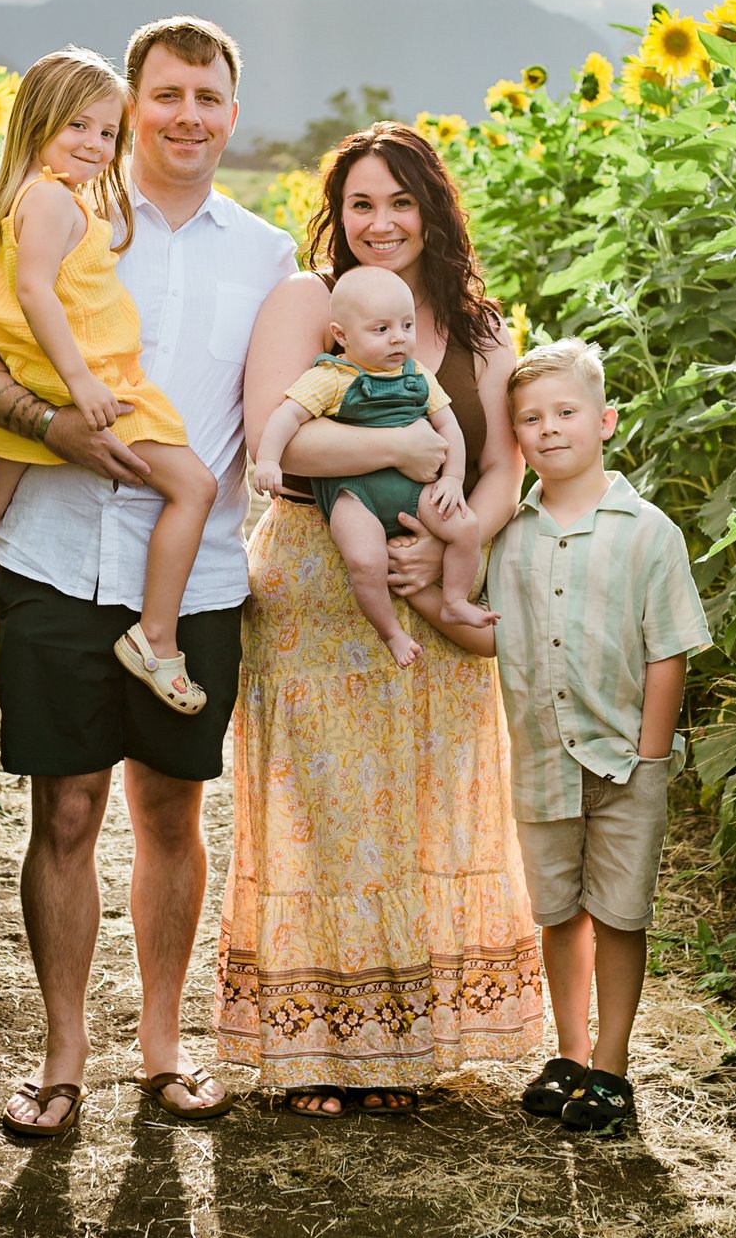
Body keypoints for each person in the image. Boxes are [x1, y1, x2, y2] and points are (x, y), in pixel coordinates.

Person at [0, 16, 296, 1141]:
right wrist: (46, 423)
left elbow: (284, 409)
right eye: (166, 95)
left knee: (169, 810)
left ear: (233, 110)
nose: (187, 116)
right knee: (67, 809)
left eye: (208, 98)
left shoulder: (264, 254)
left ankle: (164, 1048)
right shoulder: (63, 208)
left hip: (198, 573)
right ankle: (61, 1055)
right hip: (55, 555)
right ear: (130, 104)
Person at [217, 122, 545, 1118]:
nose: (380, 222)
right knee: (322, 814)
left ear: (432, 208)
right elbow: (287, 438)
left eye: (400, 201)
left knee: (420, 809)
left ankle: (402, 1049)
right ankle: (315, 1050)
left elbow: (501, 467)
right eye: (360, 203)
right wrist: (404, 442)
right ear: (337, 214)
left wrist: (451, 542)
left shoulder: (481, 333)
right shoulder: (308, 303)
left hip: (432, 587)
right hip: (319, 585)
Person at [0, 47, 217, 713]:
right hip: (87, 380)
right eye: (79, 126)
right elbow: (36, 292)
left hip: (34, 379)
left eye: (108, 132)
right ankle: (155, 638)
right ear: (38, 122)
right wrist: (80, 384)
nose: (97, 145)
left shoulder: (30, 199)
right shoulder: (50, 200)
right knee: (195, 485)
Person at [485, 339, 708, 1135]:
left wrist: (651, 757)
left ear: (605, 420)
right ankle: (569, 1053)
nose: (548, 429)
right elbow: (493, 634)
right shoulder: (509, 535)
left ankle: (612, 1066)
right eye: (530, 419)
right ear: (515, 437)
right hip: (542, 759)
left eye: (566, 413)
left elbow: (668, 647)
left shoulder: (647, 531)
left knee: (618, 913)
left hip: (624, 762)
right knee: (559, 911)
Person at [246, 266, 494, 665]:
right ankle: (390, 632)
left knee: (465, 527)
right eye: (381, 329)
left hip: (415, 489)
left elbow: (448, 425)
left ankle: (453, 601)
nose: (398, 337)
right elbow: (286, 417)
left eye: (407, 325)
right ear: (342, 335)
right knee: (365, 559)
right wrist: (270, 460)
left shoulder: (417, 375)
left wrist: (453, 478)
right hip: (354, 493)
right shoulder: (332, 377)